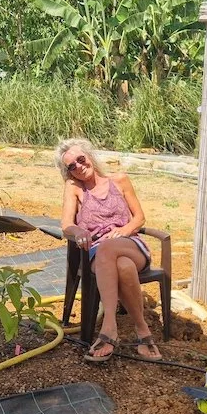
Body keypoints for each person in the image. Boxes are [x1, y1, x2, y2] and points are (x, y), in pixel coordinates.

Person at [56, 138, 163, 361]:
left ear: (90, 157)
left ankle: (109, 327)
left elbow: (140, 218)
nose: (78, 167)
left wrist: (123, 231)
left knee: (110, 248)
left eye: (81, 159)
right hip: (97, 250)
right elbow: (66, 224)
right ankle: (143, 331)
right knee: (122, 265)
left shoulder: (120, 180)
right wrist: (78, 232)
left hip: (129, 243)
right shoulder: (74, 188)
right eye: (71, 167)